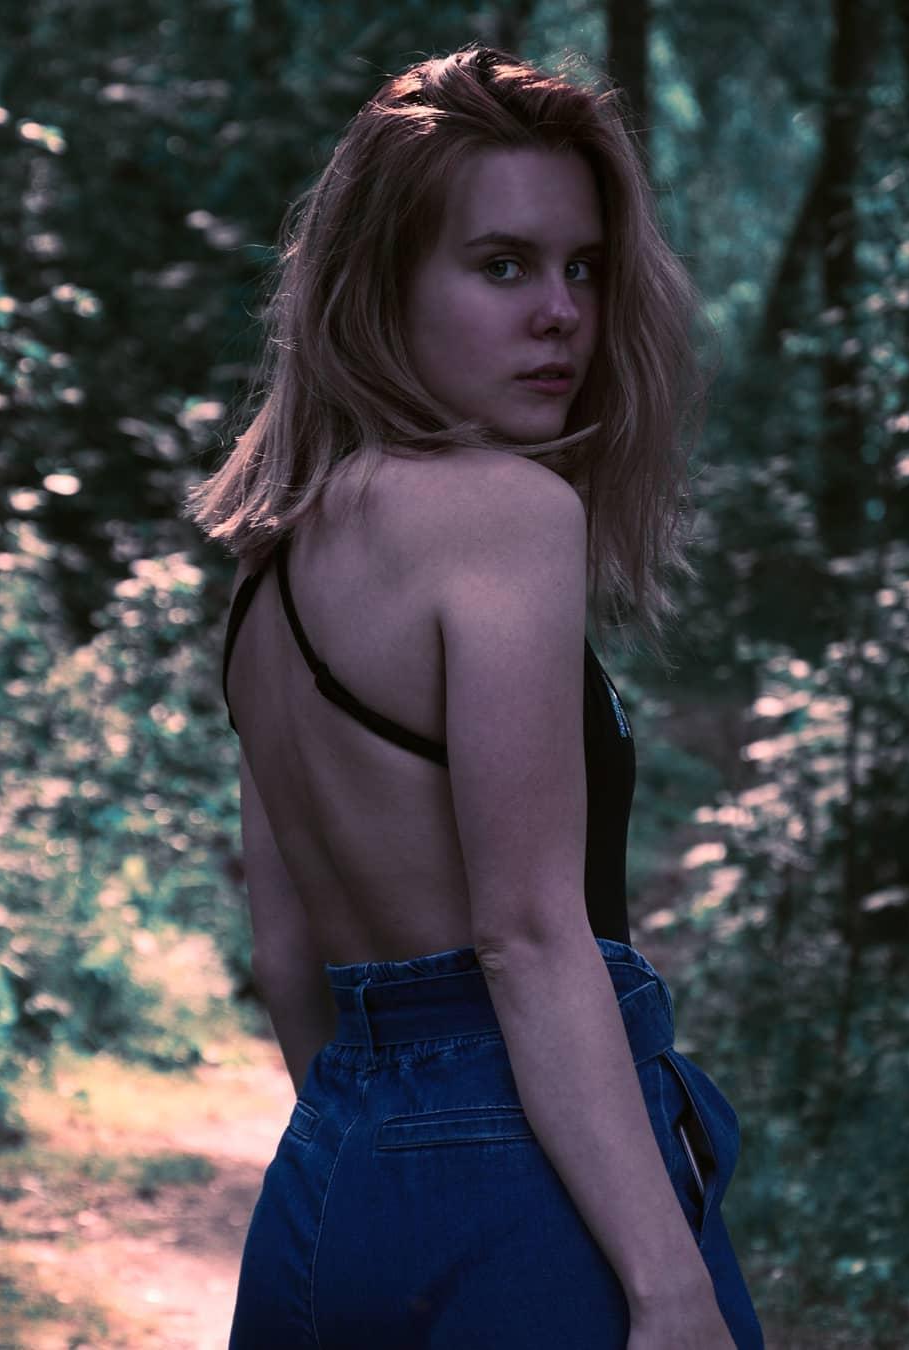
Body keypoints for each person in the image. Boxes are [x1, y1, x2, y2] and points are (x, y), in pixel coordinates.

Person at [186, 45, 763, 1350]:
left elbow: (288, 957)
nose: (560, 313)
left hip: (330, 1181)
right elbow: (529, 934)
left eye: (583, 268)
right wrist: (666, 1285)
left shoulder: (269, 572)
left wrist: (398, 1154)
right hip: (533, 1178)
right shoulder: (510, 514)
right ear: (382, 283)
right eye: (502, 266)